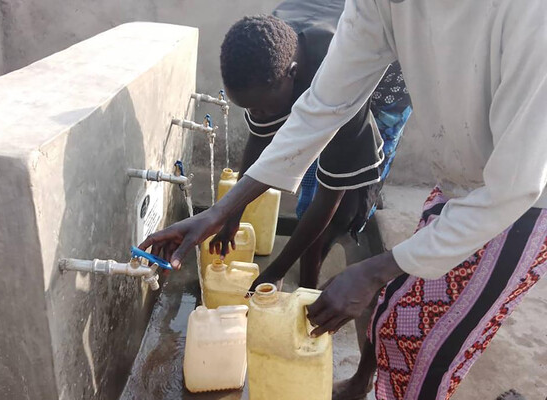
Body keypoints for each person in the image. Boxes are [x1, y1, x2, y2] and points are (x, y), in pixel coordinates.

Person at [141, 0, 547, 399]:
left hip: (525, 201)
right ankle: (364, 383)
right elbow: (319, 108)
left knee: (418, 347)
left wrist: (371, 270)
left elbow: (514, 184)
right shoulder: (372, 10)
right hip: (462, 176)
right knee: (394, 317)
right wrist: (222, 211)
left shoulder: (530, 17)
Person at [214, 11, 411, 295]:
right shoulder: (263, 52)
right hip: (336, 37)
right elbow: (260, 139)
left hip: (388, 77)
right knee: (311, 194)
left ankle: (309, 283)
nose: (256, 114)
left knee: (347, 207)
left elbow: (332, 191)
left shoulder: (340, 78)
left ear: (291, 74)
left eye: (261, 107)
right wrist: (233, 215)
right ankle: (308, 277)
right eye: (249, 108)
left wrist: (276, 271)